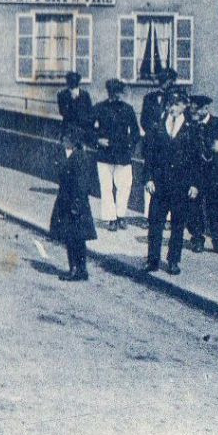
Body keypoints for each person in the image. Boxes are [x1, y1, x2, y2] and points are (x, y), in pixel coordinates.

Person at [142, 92, 199, 275]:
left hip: (181, 185)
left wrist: (194, 184)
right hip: (159, 184)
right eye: (170, 103)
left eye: (177, 104)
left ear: (184, 106)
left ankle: (173, 261)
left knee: (177, 225)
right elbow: (149, 154)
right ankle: (153, 260)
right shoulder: (158, 125)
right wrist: (148, 178)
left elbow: (196, 159)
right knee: (155, 223)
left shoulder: (192, 128)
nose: (172, 107)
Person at [186, 94, 218, 254]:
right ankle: (197, 239)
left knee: (217, 209)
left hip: (217, 175)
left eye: (196, 109)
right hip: (197, 175)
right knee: (194, 208)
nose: (193, 112)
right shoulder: (190, 127)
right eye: (192, 108)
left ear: (205, 109)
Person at [90, 78, 141, 231]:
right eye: (114, 93)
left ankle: (121, 216)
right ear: (110, 92)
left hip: (123, 155)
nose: (118, 96)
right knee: (106, 187)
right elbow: (87, 128)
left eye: (119, 93)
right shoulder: (99, 108)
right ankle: (111, 218)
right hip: (105, 155)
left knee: (124, 186)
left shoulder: (128, 109)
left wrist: (130, 145)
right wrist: (97, 140)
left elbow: (136, 132)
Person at [50, 127, 98, 281]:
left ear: (73, 141)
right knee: (69, 236)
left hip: (76, 203)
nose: (63, 141)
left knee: (77, 237)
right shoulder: (64, 154)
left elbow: (83, 183)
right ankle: (76, 268)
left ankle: (78, 269)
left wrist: (76, 204)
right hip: (65, 201)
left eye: (66, 139)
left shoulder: (80, 157)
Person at [139, 66, 179, 137]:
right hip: (152, 139)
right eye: (167, 81)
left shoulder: (174, 99)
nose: (169, 83)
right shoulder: (148, 98)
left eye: (171, 82)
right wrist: (153, 131)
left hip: (168, 139)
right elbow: (143, 120)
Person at [56, 71, 93, 138]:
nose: (72, 83)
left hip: (83, 128)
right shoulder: (62, 95)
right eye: (70, 80)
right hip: (68, 127)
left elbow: (90, 110)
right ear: (67, 82)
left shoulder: (85, 95)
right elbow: (62, 111)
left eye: (75, 80)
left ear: (78, 82)